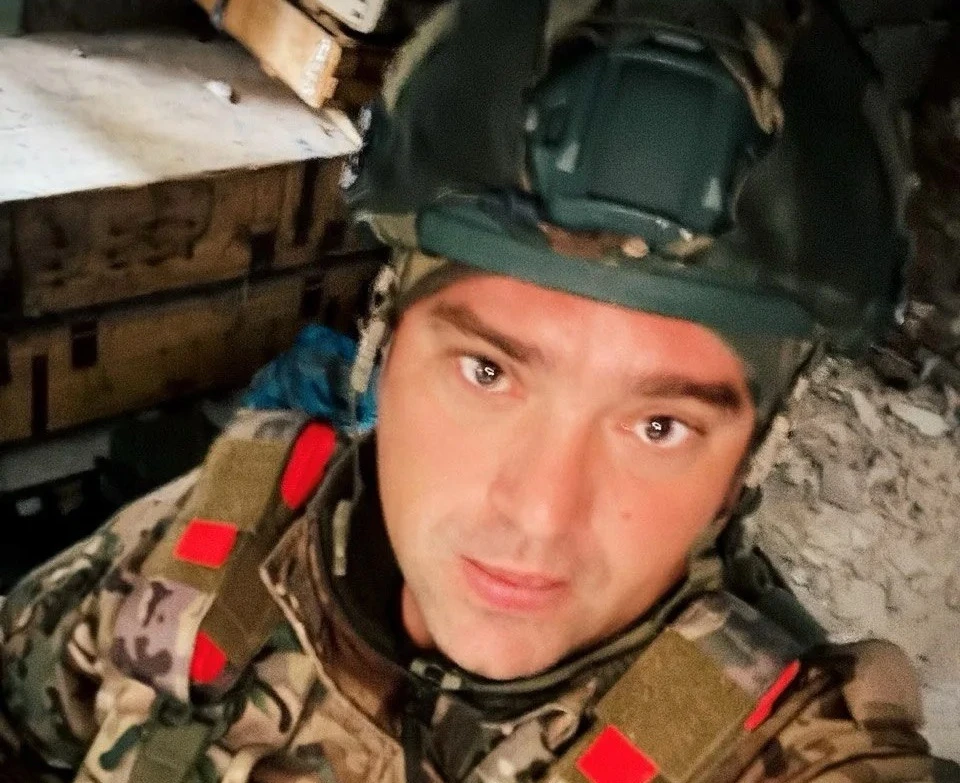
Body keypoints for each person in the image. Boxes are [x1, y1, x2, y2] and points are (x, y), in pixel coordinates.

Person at [0, 1, 944, 782]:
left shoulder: (794, 753)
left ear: (752, 458)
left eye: (658, 424)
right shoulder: (230, 536)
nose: (536, 513)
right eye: (488, 372)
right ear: (381, 345)